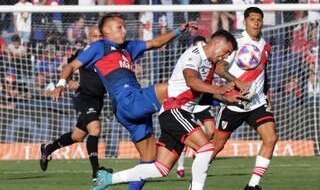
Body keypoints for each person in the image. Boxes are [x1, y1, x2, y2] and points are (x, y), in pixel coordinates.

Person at [52, 13, 197, 190]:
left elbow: (155, 43)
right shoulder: (99, 47)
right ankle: (196, 138)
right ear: (106, 30)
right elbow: (72, 65)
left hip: (130, 109)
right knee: (171, 89)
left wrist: (177, 31)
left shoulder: (128, 47)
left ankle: (112, 181)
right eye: (119, 27)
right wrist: (61, 83)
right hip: (128, 101)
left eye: (124, 26)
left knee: (149, 161)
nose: (124, 31)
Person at [92, 29, 241, 190]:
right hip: (174, 109)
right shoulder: (194, 54)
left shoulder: (209, 65)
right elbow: (191, 81)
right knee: (206, 149)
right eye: (226, 52)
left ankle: (108, 178)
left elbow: (202, 92)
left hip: (179, 113)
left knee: (160, 168)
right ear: (217, 43)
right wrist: (220, 89)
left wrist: (227, 98)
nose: (225, 57)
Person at [212, 7, 277, 190]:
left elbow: (265, 72)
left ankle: (252, 186)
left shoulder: (265, 46)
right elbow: (219, 68)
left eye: (259, 19)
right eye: (252, 19)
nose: (256, 23)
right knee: (216, 147)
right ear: (245, 22)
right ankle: (197, 178)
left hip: (256, 103)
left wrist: (266, 93)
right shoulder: (236, 42)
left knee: (271, 139)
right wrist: (237, 82)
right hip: (234, 103)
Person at [40, 26, 106, 181]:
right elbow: (68, 68)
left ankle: (48, 148)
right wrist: (68, 82)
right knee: (95, 129)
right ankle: (96, 171)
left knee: (77, 136)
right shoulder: (83, 53)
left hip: (98, 100)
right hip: (84, 97)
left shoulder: (106, 52)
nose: (97, 39)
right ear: (89, 38)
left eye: (100, 36)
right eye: (94, 36)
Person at [175, 35, 216, 178]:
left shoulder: (211, 62)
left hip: (203, 103)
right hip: (189, 104)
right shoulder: (191, 58)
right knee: (185, 138)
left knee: (210, 131)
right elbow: (191, 81)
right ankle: (181, 166)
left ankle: (199, 151)